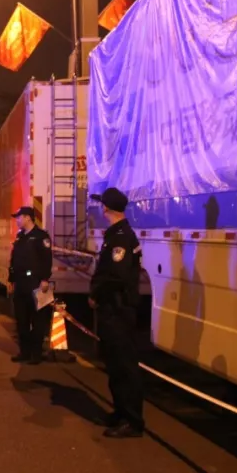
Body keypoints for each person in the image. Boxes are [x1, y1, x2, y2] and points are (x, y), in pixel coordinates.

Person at [89, 187, 145, 439]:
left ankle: (132, 421)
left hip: (118, 309)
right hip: (113, 308)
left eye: (102, 204)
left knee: (124, 367)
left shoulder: (120, 237)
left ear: (107, 208)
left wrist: (96, 294)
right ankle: (120, 412)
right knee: (114, 365)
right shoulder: (116, 234)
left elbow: (116, 277)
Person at [7, 206, 53, 364]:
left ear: (27, 217)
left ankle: (36, 354)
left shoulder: (41, 236)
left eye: (19, 217)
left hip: (36, 283)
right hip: (21, 283)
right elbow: (14, 260)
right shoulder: (20, 237)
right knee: (22, 319)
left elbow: (47, 260)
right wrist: (11, 279)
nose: (17, 220)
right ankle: (24, 352)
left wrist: (45, 279)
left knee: (38, 320)